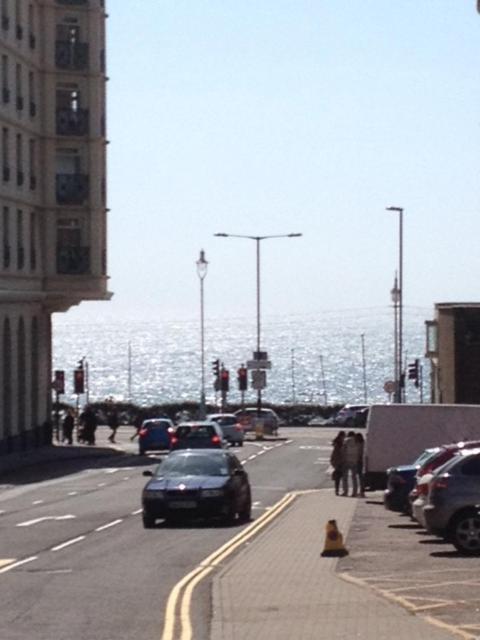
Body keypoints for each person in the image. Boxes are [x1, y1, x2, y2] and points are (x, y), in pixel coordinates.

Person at [341, 431, 360, 496]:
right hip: (354, 461)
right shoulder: (357, 441)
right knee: (354, 477)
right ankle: (354, 492)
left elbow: (343, 450)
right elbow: (359, 451)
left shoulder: (346, 441)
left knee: (345, 477)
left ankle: (345, 491)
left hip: (346, 460)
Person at [330, 431, 345, 495]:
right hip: (340, 462)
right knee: (341, 476)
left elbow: (333, 454)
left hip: (336, 462)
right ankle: (341, 490)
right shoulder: (340, 444)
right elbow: (339, 454)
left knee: (338, 477)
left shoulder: (337, 444)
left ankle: (337, 490)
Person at [355, 432, 365, 497]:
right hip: (362, 461)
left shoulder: (359, 444)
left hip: (359, 461)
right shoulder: (364, 443)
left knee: (360, 477)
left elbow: (359, 453)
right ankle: (361, 491)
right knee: (361, 477)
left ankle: (361, 491)